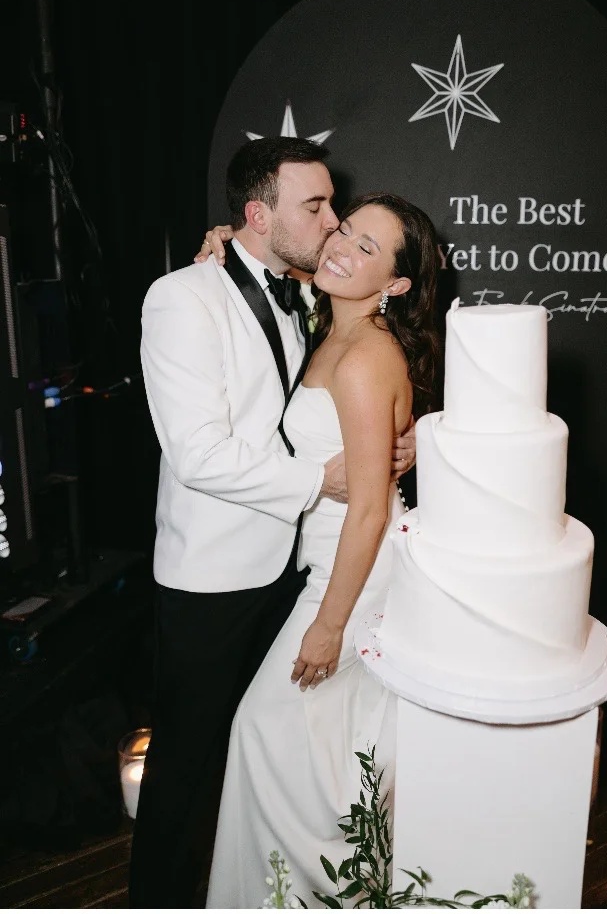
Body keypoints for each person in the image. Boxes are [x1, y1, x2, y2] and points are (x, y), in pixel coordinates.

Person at [130, 137, 415, 909]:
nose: (331, 226)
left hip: (291, 574)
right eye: (317, 208)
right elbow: (197, 454)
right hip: (213, 577)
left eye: (336, 209)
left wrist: (409, 437)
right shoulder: (183, 296)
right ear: (258, 213)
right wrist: (320, 477)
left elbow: (359, 390)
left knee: (271, 745)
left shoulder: (310, 297)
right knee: (186, 763)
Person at [202, 191, 440, 908]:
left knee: (267, 736)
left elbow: (369, 508)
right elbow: (283, 255)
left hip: (355, 574)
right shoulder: (329, 316)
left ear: (395, 285)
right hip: (329, 563)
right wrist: (223, 236)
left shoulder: (365, 355)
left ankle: (306, 896)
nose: (342, 247)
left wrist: (331, 624)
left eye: (369, 248)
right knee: (321, 759)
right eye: (344, 230)